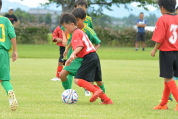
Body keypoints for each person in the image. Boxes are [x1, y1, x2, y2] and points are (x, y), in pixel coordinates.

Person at [60, 13, 113, 104]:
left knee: (77, 80)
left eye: (65, 27)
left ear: (72, 24)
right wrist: (68, 50)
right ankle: (107, 100)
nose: (65, 30)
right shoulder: (79, 32)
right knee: (91, 82)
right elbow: (74, 42)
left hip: (88, 57)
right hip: (94, 56)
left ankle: (95, 91)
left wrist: (72, 55)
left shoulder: (76, 33)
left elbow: (79, 46)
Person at [151, 0, 178, 111]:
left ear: (162, 8)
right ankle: (163, 103)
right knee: (168, 78)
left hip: (167, 52)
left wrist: (154, 49)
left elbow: (160, 38)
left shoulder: (162, 19)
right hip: (177, 51)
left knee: (168, 78)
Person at [0, 0, 18, 111]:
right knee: (4, 78)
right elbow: (12, 35)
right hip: (3, 52)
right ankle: (10, 92)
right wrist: (15, 51)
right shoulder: (6, 20)